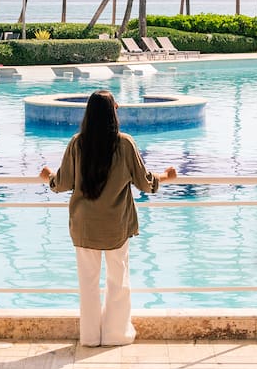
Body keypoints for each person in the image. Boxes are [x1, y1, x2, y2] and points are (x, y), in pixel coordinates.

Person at [39, 91, 176, 348]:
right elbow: (145, 182)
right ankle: (116, 335)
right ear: (113, 111)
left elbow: (63, 183)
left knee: (88, 284)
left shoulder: (77, 144)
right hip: (116, 225)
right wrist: (166, 177)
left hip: (84, 226)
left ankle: (90, 337)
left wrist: (48, 177)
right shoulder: (124, 144)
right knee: (118, 281)